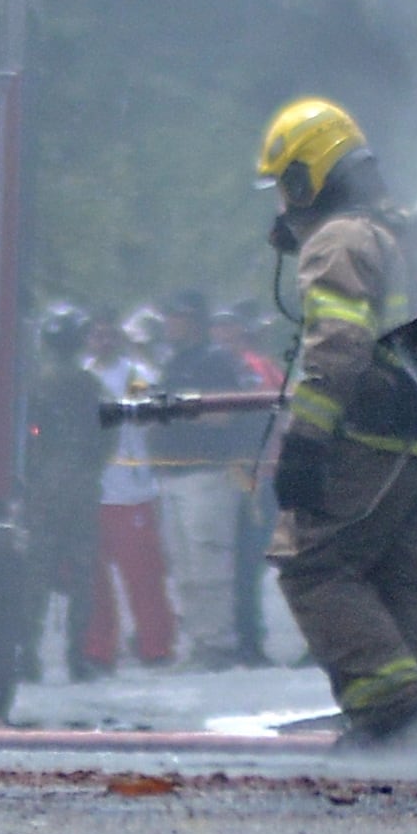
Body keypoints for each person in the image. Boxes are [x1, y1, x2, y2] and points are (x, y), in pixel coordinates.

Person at [256, 98, 417, 746]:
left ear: (307, 179)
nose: (280, 205)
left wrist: (304, 439)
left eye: (283, 187)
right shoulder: (405, 230)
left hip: (369, 443)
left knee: (311, 566)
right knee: (406, 583)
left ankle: (388, 713)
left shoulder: (339, 240)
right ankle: (407, 741)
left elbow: (339, 345)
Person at [152, 289, 263, 669]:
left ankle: (217, 644)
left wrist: (175, 409)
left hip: (208, 475)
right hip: (173, 474)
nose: (169, 322)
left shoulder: (215, 361)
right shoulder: (172, 362)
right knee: (183, 568)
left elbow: (224, 415)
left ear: (195, 320)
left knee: (209, 565)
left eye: (177, 315)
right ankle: (198, 642)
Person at [21, 304, 115, 682]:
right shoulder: (91, 385)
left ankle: (27, 654)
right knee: (81, 573)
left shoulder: (34, 385)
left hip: (42, 486)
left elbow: (24, 437)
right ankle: (77, 655)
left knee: (36, 572)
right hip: (81, 485)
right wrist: (90, 467)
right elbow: (108, 433)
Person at [81, 315, 174, 668]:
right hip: (91, 491)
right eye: (96, 335)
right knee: (94, 580)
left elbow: (144, 419)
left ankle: (155, 646)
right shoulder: (81, 375)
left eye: (108, 335)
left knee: (144, 576)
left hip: (131, 492)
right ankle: (98, 648)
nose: (102, 341)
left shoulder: (137, 374)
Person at [217, 304, 286, 662]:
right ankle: (245, 636)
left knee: (251, 561)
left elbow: (263, 420)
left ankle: (250, 639)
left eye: (230, 329)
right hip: (243, 474)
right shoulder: (229, 367)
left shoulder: (256, 368)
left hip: (260, 476)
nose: (223, 336)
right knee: (240, 563)